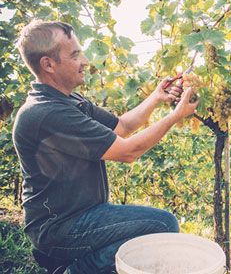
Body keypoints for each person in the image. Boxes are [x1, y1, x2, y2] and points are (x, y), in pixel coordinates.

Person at [12, 20, 199, 273]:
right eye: (75, 54)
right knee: (163, 225)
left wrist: (156, 97)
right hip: (59, 227)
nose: (85, 61)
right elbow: (127, 151)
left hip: (84, 213)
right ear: (48, 64)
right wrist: (175, 116)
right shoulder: (46, 113)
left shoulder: (68, 101)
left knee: (152, 229)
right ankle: (74, 270)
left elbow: (121, 126)